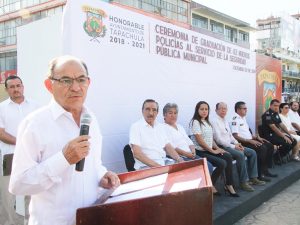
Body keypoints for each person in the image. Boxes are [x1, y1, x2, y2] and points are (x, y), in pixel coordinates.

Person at [9, 55, 120, 225]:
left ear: (88, 83)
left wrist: (101, 175)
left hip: (91, 218)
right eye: (66, 80)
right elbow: (18, 185)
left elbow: (95, 164)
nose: (75, 87)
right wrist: (63, 159)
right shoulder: (34, 124)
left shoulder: (91, 119)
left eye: (81, 79)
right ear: (49, 85)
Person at [0, 75, 39, 225]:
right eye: (12, 87)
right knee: (8, 195)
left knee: (32, 193)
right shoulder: (1, 108)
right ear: (7, 89)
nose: (16, 89)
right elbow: (1, 134)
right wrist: (22, 143)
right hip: (9, 156)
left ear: (23, 87)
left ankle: (31, 222)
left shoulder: (35, 106)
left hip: (32, 156)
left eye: (18, 85)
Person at [212, 102, 265, 192]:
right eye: (221, 108)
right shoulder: (214, 121)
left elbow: (231, 136)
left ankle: (253, 177)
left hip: (231, 145)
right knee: (240, 154)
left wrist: (237, 143)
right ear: (216, 110)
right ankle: (243, 182)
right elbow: (219, 140)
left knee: (252, 152)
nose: (223, 110)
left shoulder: (224, 120)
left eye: (225, 108)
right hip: (222, 147)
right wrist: (234, 146)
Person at [189, 101, 238, 197]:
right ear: (197, 110)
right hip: (200, 151)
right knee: (222, 163)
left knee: (227, 156)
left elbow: (210, 139)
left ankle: (229, 184)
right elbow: (200, 141)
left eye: (206, 109)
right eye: (201, 109)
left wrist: (218, 148)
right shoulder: (195, 122)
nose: (204, 111)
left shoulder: (207, 122)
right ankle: (210, 185)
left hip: (209, 149)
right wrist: (213, 151)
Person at [129, 99, 184, 170]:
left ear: (157, 112)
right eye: (147, 109)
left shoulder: (160, 126)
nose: (151, 113)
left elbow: (167, 146)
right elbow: (137, 154)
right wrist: (159, 167)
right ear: (142, 111)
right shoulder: (136, 127)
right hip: (146, 166)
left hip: (163, 162)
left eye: (154, 110)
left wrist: (179, 159)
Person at [231, 101, 278, 182]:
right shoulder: (234, 120)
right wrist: (250, 141)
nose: (246, 110)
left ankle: (265, 170)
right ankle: (259, 175)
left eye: (246, 108)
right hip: (243, 142)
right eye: (244, 108)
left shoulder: (243, 118)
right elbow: (235, 136)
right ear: (238, 110)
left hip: (250, 139)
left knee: (269, 145)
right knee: (262, 149)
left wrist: (257, 137)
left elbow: (246, 133)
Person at [162, 103, 213, 173]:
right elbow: (171, 147)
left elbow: (188, 140)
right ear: (164, 115)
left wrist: (193, 151)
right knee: (203, 169)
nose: (173, 115)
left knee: (208, 166)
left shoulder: (180, 126)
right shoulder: (163, 128)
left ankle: (207, 183)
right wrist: (186, 154)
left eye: (175, 113)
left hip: (190, 154)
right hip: (179, 157)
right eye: (170, 113)